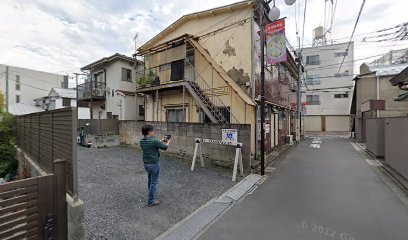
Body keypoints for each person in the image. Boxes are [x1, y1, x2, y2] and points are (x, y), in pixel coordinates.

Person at [140, 125, 170, 206]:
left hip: (146, 164)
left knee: (150, 180)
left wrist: (160, 141)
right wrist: (168, 142)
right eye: (153, 131)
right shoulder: (154, 141)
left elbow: (153, 144)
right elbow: (164, 147)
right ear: (149, 132)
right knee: (154, 182)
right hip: (154, 164)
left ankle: (151, 196)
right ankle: (151, 201)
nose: (154, 132)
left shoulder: (142, 141)